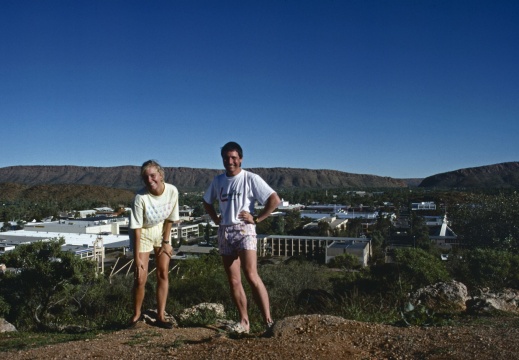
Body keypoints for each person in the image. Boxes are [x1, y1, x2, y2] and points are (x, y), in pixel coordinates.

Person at [203, 141, 281, 333]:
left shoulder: (250, 178)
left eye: (234, 158)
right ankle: (244, 322)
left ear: (241, 159)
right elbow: (207, 202)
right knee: (234, 280)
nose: (230, 161)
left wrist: (257, 218)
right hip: (225, 231)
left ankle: (268, 321)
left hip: (244, 230)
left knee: (251, 275)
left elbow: (274, 200)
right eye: (226, 158)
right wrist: (215, 219)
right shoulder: (218, 181)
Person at [129, 160, 179, 329]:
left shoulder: (172, 191)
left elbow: (171, 218)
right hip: (142, 233)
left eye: (153, 175)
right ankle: (136, 315)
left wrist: (166, 242)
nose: (150, 180)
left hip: (161, 231)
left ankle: (161, 315)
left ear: (161, 175)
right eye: (146, 177)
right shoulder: (140, 198)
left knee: (163, 272)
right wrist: (136, 258)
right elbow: (136, 229)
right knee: (140, 278)